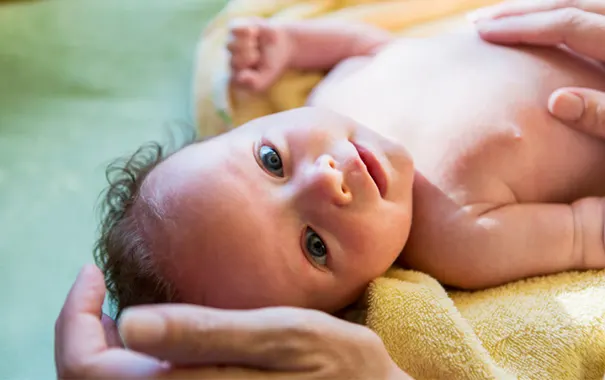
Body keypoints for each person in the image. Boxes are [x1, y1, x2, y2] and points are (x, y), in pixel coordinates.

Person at [55, 1, 605, 378]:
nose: (324, 181)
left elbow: (372, 46)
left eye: (271, 160)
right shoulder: (460, 241)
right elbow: (585, 233)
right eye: (315, 244)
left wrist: (292, 44)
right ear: (343, 307)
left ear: (240, 130)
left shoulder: (331, 98)